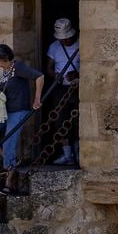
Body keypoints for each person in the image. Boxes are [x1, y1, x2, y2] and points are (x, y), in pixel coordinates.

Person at [0, 44, 43, 191]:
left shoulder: (18, 68)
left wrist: (37, 99)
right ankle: (10, 161)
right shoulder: (6, 71)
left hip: (18, 111)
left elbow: (39, 77)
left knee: (9, 141)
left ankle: (9, 179)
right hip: (4, 111)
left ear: (6, 59)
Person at [45, 18, 80, 166]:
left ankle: (79, 153)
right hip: (60, 88)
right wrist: (56, 76)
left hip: (78, 87)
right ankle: (67, 154)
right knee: (60, 120)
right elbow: (49, 68)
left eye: (67, 38)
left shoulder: (81, 45)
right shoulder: (54, 47)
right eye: (62, 39)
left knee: (78, 121)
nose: (65, 41)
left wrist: (78, 74)